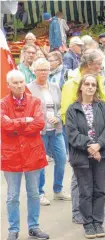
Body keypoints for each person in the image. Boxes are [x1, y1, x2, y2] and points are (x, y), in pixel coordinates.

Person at [1, 70, 49, 240]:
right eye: (15, 83)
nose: (20, 85)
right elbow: (3, 125)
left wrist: (15, 125)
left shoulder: (35, 102)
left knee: (34, 193)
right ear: (8, 85)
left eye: (22, 82)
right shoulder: (2, 104)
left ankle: (34, 227)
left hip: (32, 153)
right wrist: (25, 121)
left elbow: (39, 123)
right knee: (12, 196)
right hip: (11, 155)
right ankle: (13, 229)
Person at [66, 74, 105, 239]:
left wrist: (99, 145)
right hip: (81, 156)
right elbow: (72, 134)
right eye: (87, 84)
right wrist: (90, 147)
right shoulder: (73, 109)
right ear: (81, 87)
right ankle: (88, 224)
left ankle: (98, 222)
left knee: (100, 190)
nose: (90, 87)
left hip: (103, 154)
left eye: (93, 84)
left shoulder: (103, 107)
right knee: (85, 191)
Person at [27, 58, 71, 206]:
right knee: (41, 163)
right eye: (40, 70)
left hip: (56, 129)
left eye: (46, 69)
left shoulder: (55, 87)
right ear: (34, 71)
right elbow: (28, 110)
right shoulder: (29, 88)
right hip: (40, 132)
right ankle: (40, 193)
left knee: (62, 159)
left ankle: (58, 190)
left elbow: (61, 107)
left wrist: (58, 117)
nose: (44, 72)